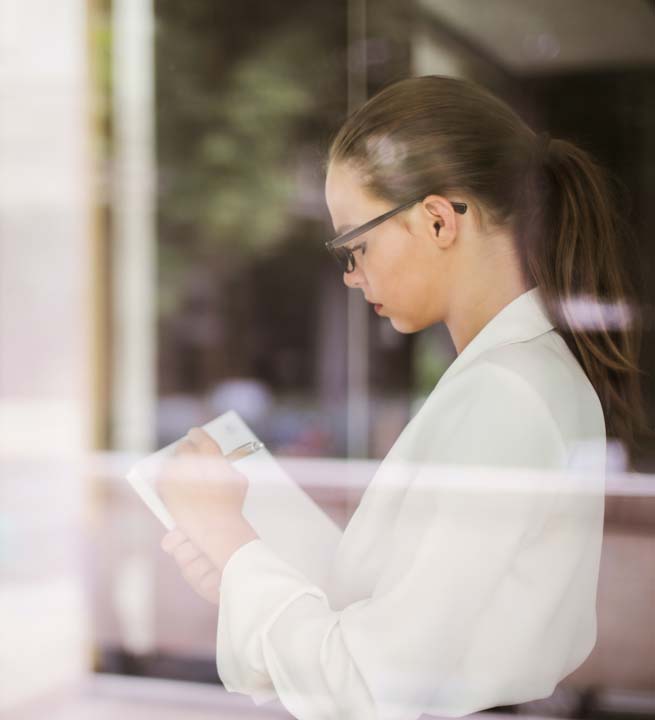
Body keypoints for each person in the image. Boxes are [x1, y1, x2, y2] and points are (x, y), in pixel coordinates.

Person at [158, 75, 650, 719]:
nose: (351, 276)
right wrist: (241, 569)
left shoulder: (506, 392)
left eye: (354, 245)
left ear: (439, 219)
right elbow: (386, 635)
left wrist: (227, 535)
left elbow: (370, 688)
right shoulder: (512, 376)